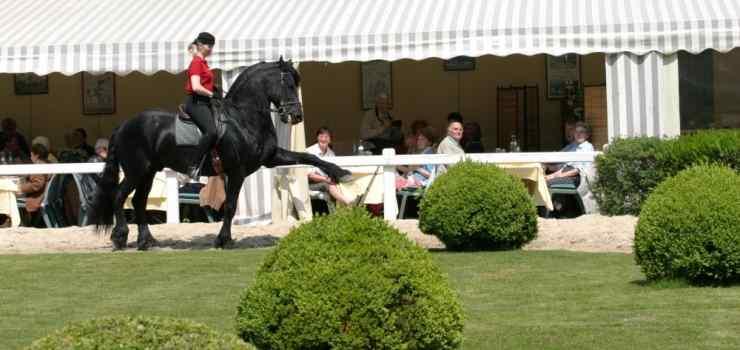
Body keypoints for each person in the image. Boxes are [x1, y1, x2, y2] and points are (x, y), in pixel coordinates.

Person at [184, 32, 220, 179]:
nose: (210, 48)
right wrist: (211, 94)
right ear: (199, 45)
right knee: (211, 132)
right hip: (196, 103)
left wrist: (213, 89)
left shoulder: (204, 63)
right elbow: (196, 86)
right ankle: (193, 166)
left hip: (205, 102)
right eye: (208, 45)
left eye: (212, 45)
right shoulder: (196, 63)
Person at [306, 127, 353, 205]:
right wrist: (326, 179)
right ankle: (348, 202)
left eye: (326, 137)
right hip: (310, 184)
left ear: (330, 140)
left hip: (327, 181)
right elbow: (310, 175)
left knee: (340, 183)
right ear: (317, 138)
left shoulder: (331, 154)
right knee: (328, 185)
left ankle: (346, 206)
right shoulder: (309, 152)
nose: (323, 139)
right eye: (321, 136)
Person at [545, 122, 594, 187]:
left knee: (546, 183)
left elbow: (579, 170)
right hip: (565, 172)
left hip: (576, 177)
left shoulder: (587, 147)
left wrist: (559, 175)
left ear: (587, 135)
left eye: (581, 132)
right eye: (576, 132)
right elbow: (559, 157)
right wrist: (552, 173)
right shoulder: (573, 145)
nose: (578, 134)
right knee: (543, 180)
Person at [17, 143, 51, 227]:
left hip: (37, 198)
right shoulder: (47, 163)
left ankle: (19, 223)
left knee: (12, 197)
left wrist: (20, 188)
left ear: (36, 155)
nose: (30, 157)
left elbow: (37, 185)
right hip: (42, 195)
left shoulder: (39, 166)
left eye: (31, 155)